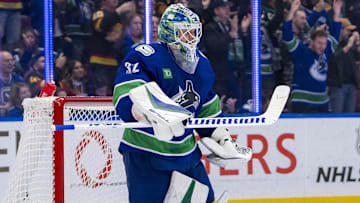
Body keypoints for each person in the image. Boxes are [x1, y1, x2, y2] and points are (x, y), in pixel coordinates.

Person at [113, 4, 250, 202]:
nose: (191, 38)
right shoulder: (146, 55)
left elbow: (206, 110)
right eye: (185, 32)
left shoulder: (202, 65)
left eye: (194, 32)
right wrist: (143, 112)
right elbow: (125, 94)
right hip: (146, 153)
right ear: (169, 33)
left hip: (186, 153)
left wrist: (221, 139)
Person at [283, 0, 342, 113]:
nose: (322, 47)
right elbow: (287, 35)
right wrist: (292, 11)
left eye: (324, 43)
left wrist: (337, 13)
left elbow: (335, 36)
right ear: (312, 42)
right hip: (302, 102)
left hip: (322, 102)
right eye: (319, 43)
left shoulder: (326, 51)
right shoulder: (301, 51)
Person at [327, 18, 360, 113]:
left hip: (352, 85)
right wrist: (349, 45)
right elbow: (334, 58)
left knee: (349, 116)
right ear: (340, 29)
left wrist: (357, 44)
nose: (349, 33)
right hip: (338, 85)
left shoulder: (348, 44)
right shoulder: (332, 43)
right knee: (337, 115)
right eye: (347, 30)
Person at [0, 51, 24, 116]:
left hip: (16, 116)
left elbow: (25, 99)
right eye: (6, 61)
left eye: (12, 60)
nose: (10, 63)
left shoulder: (18, 79)